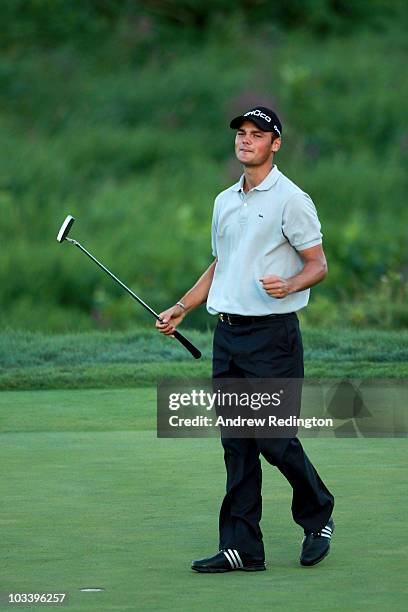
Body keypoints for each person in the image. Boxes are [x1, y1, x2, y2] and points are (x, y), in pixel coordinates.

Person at [156, 106, 335, 571]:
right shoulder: (224, 201)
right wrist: (183, 305)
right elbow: (222, 264)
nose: (246, 140)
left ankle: (318, 515)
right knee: (236, 442)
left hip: (273, 338)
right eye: (242, 133)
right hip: (229, 337)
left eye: (257, 135)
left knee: (273, 439)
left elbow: (318, 264)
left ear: (275, 144)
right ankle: (242, 547)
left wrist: (290, 285)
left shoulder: (291, 199)